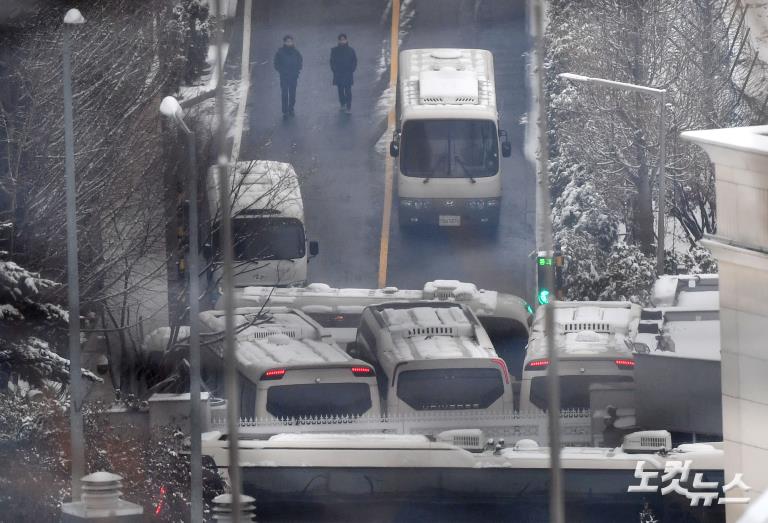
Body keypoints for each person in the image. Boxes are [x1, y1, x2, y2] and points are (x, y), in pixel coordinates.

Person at [274, 35, 302, 117]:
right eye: (287, 41)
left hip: (293, 77)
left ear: (292, 42)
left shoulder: (296, 52)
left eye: (290, 41)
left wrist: (297, 71)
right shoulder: (280, 52)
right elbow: (276, 64)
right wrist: (281, 72)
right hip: (284, 77)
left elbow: (300, 62)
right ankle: (285, 111)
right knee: (285, 94)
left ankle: (291, 108)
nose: (289, 43)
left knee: (292, 94)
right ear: (284, 42)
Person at [330, 33, 357, 113]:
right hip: (339, 73)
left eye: (344, 39)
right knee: (340, 90)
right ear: (338, 41)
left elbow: (354, 61)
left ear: (346, 40)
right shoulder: (334, 50)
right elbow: (332, 62)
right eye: (341, 40)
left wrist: (352, 69)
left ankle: (348, 107)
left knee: (348, 91)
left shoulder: (351, 50)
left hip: (348, 73)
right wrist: (334, 70)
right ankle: (342, 104)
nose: (342, 41)